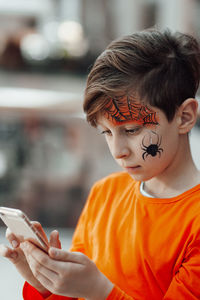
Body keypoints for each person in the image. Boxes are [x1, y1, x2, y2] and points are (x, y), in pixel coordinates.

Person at [1, 28, 200, 300]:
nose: (118, 151)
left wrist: (100, 291)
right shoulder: (105, 194)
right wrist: (45, 283)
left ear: (185, 116)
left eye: (131, 130)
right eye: (107, 132)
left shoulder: (195, 221)